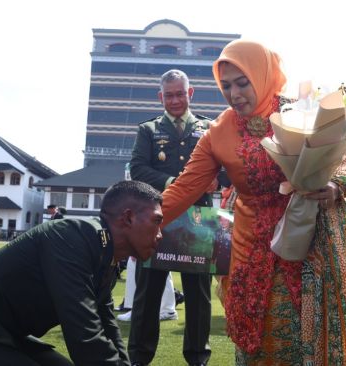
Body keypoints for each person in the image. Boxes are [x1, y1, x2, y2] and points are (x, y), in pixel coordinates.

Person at [159, 40, 346, 365]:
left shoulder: (299, 111)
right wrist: (131, 224)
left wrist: (331, 185)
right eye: (226, 85)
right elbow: (183, 189)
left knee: (306, 340)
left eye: (243, 83)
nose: (234, 94)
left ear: (263, 75)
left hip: (307, 248)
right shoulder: (218, 132)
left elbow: (342, 159)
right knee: (257, 340)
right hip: (250, 252)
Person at [0, 180, 163, 366]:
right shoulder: (74, 236)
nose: (160, 235)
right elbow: (85, 338)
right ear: (127, 218)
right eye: (157, 221)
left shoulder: (104, 255)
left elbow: (107, 326)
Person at [128, 68, 215, 366]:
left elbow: (228, 167)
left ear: (190, 93)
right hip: (157, 220)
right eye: (169, 95)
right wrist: (176, 185)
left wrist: (220, 179)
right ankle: (138, 358)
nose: (175, 100)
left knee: (199, 296)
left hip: (198, 221)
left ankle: (198, 358)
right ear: (160, 97)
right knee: (147, 294)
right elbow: (137, 168)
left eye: (180, 94)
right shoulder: (148, 130)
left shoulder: (210, 128)